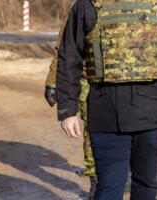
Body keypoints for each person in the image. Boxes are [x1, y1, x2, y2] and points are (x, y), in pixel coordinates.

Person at [56, 0, 157, 199]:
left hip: (149, 110)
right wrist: (67, 110)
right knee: (109, 184)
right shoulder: (87, 6)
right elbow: (69, 58)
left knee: (145, 181)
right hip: (105, 111)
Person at [44, 15, 98, 199]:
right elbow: (63, 47)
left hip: (127, 84)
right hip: (88, 80)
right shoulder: (82, 7)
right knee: (94, 132)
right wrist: (52, 81)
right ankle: (95, 179)